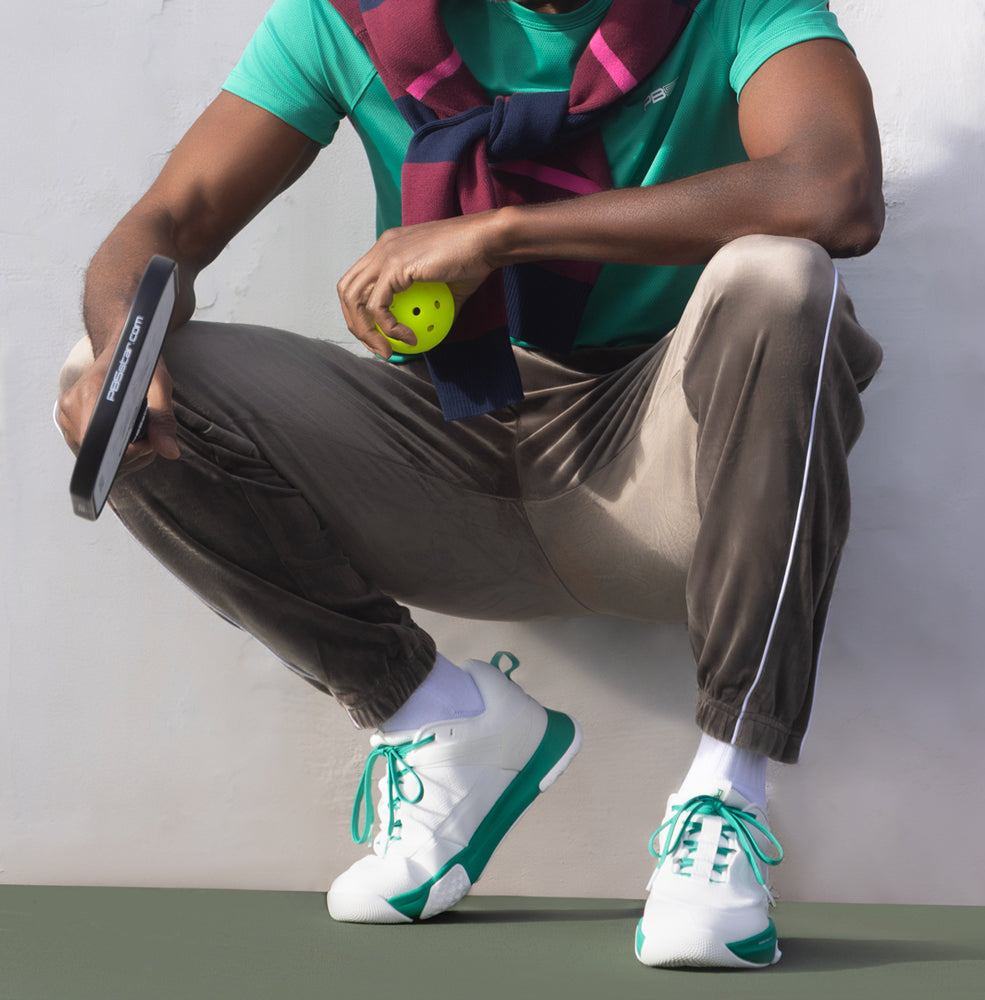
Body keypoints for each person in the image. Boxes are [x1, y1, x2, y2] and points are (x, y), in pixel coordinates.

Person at [57, 0, 885, 970]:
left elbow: (837, 190)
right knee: (119, 383)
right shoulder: (346, 19)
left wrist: (498, 234)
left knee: (785, 279)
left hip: (657, 457)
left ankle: (726, 800)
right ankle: (433, 718)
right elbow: (169, 220)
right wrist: (123, 349)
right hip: (444, 445)